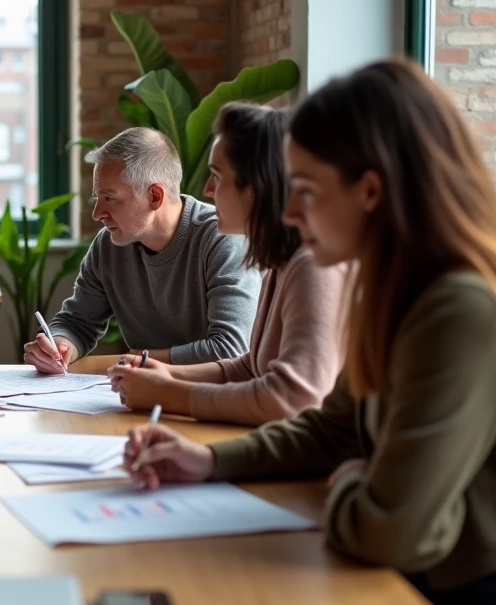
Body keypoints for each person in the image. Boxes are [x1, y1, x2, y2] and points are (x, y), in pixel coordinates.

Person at [122, 60, 496, 605]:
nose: (288, 209)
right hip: (434, 580)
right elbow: (332, 430)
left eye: (307, 189)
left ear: (370, 191)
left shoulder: (461, 307)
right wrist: (208, 465)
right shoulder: (392, 287)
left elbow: (392, 529)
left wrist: (348, 483)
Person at [107, 103, 348, 425]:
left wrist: (168, 393)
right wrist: (168, 374)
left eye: (218, 177)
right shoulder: (280, 260)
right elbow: (249, 368)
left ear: (257, 187)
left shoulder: (312, 265)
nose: (207, 190)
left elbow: (293, 398)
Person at [23, 127, 260, 372]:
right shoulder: (108, 245)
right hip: (142, 395)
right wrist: (60, 346)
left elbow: (231, 349)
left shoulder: (224, 238)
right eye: (97, 198)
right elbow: (76, 322)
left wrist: (139, 360)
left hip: (215, 401)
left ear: (155, 196)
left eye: (110, 198)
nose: (97, 214)